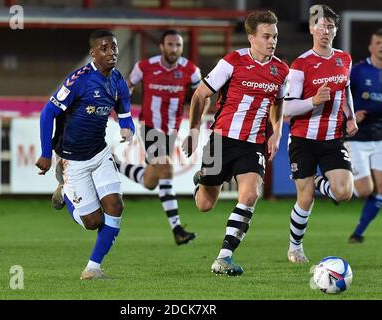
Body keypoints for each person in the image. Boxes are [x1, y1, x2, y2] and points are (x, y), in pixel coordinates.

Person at [182, 11, 289, 275]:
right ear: (251, 38)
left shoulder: (281, 70)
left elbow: (278, 101)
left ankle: (224, 257)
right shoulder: (232, 62)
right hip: (222, 140)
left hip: (253, 144)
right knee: (205, 205)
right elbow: (200, 95)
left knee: (250, 195)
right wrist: (194, 130)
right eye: (266, 36)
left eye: (274, 36)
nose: (271, 41)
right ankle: (201, 182)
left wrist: (276, 131)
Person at [35, 29, 135, 280]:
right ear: (93, 53)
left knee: (115, 205)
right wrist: (46, 154)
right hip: (72, 159)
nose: (111, 52)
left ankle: (93, 268)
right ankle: (63, 192)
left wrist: (127, 128)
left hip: (99, 154)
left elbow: (125, 113)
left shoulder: (118, 80)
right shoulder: (78, 80)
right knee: (93, 222)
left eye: (113, 47)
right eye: (104, 48)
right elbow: (48, 113)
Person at [283, 4, 358, 263]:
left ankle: (316, 182)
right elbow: (287, 108)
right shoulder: (300, 64)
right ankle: (295, 247)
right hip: (303, 139)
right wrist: (313, 101)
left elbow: (346, 89)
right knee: (305, 199)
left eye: (330, 26)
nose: (325, 31)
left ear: (336, 30)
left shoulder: (344, 59)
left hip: (331, 138)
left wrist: (350, 116)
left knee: (345, 193)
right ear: (311, 29)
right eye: (320, 25)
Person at [113, 29, 202, 245]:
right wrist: (123, 118)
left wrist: (194, 128)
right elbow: (125, 89)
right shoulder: (145, 66)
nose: (174, 49)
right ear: (162, 47)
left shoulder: (191, 71)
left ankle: (116, 165)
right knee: (166, 168)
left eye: (178, 45)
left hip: (172, 131)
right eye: (170, 44)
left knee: (151, 181)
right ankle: (177, 229)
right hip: (149, 127)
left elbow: (201, 97)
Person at [345, 28, 382, 243]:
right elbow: (342, 96)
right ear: (371, 47)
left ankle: (358, 232)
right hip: (356, 137)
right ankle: (335, 184)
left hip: (379, 136)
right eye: (378, 42)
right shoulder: (358, 70)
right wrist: (352, 115)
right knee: (365, 190)